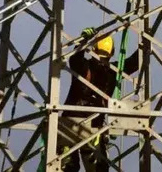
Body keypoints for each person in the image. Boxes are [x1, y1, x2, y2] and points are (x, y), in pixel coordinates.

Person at [57, 27, 141, 172]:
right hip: (92, 126)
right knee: (98, 168)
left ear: (93, 50)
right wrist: (145, 46)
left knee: (68, 167)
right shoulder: (113, 71)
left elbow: (75, 58)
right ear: (112, 52)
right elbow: (134, 63)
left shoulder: (86, 67)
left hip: (70, 123)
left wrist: (83, 41)